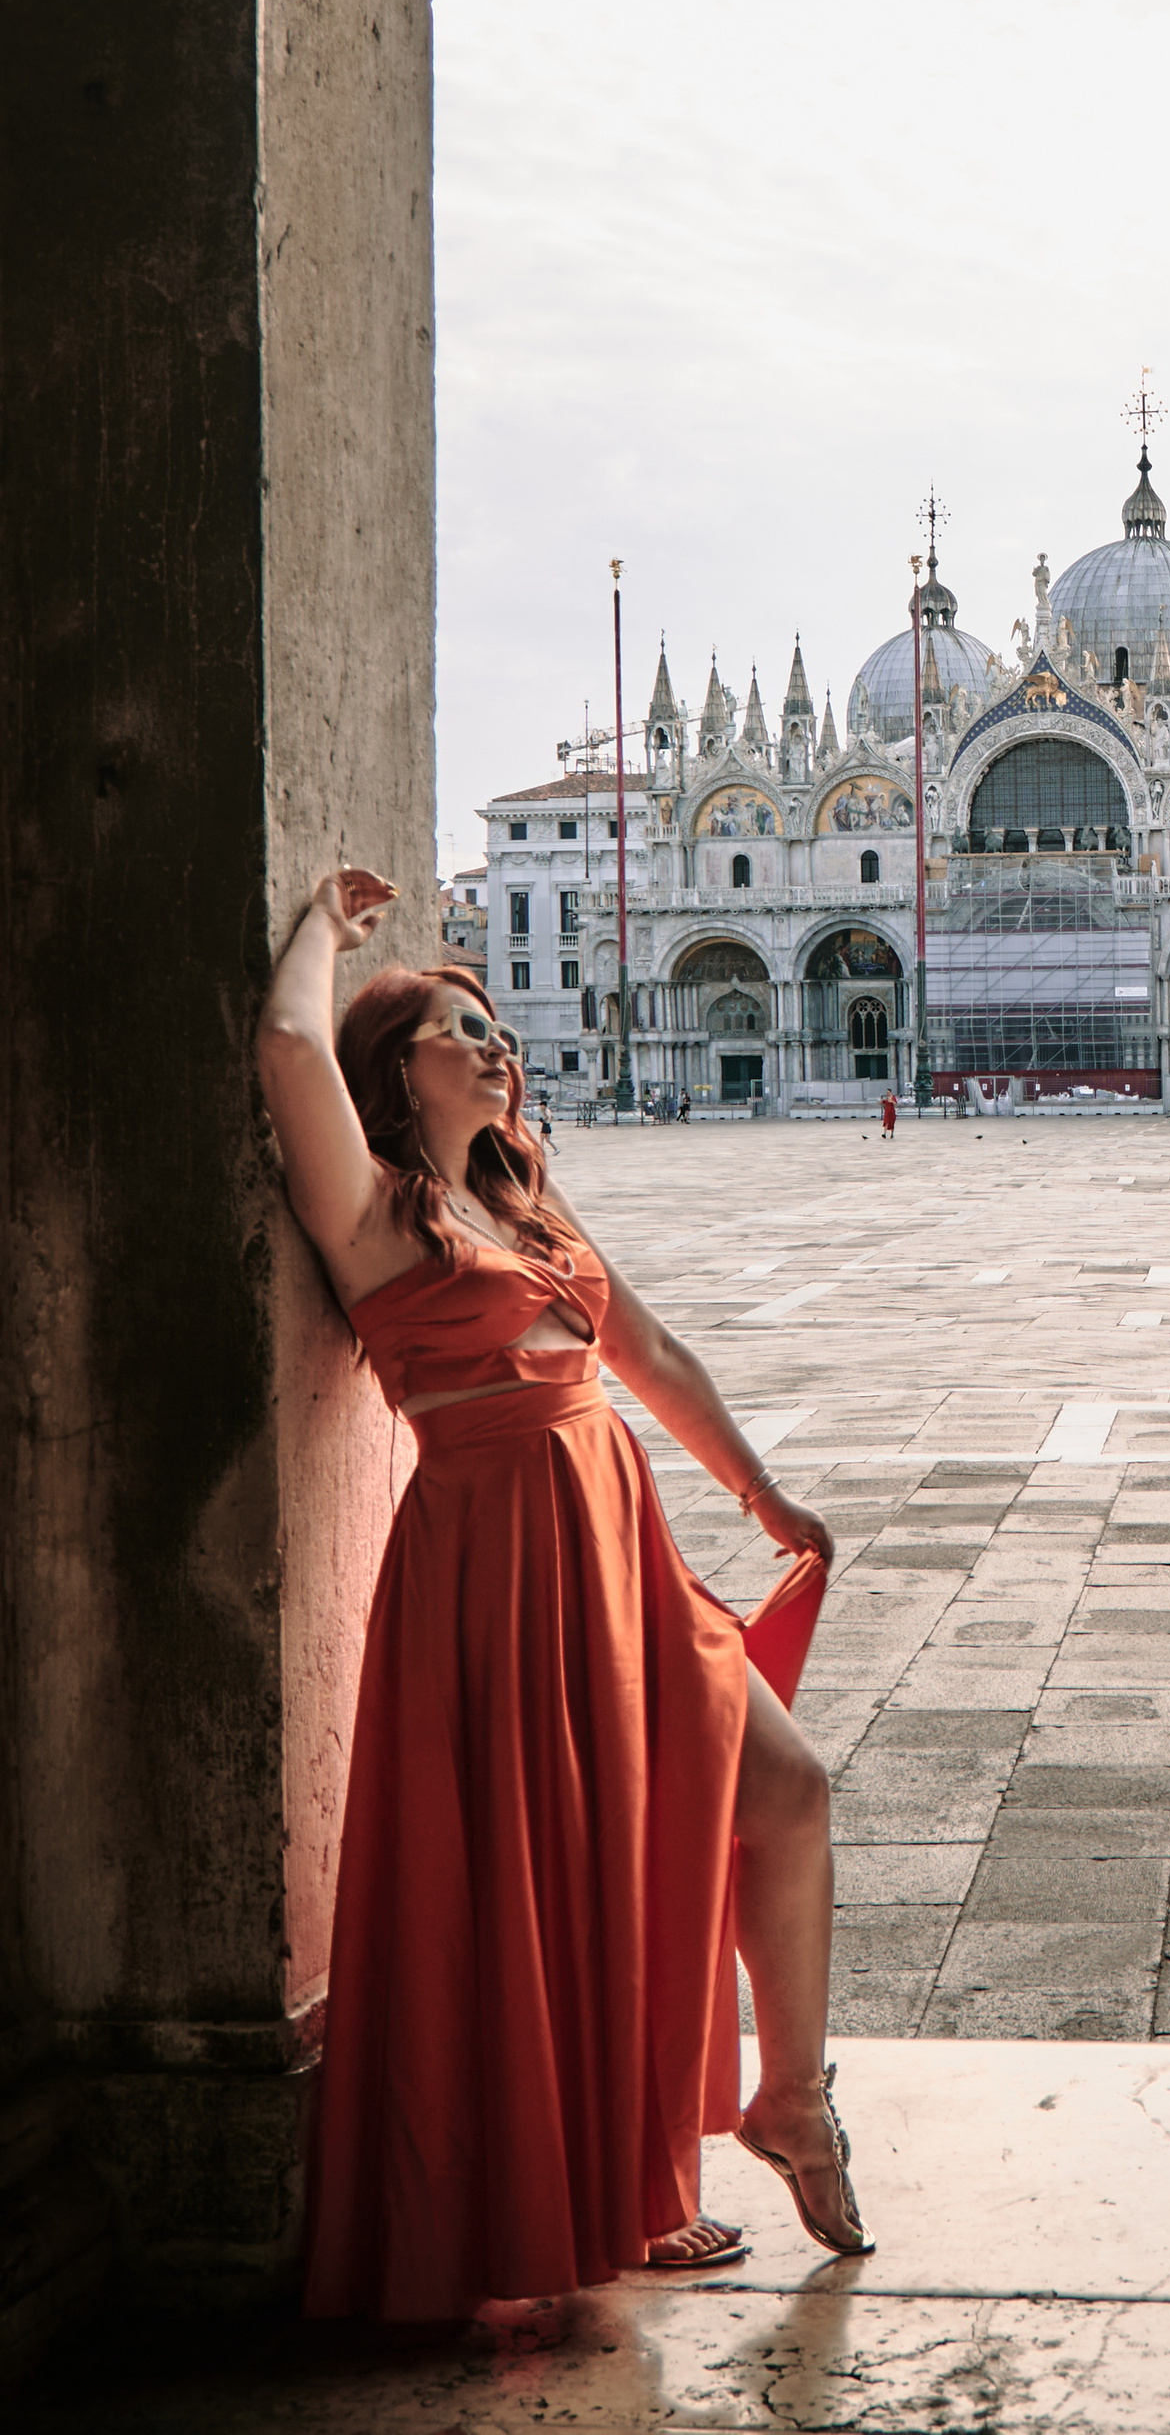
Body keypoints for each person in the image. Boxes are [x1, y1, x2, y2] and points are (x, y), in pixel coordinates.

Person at [256, 869, 871, 2317]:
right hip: (493, 1571)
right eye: (460, 1028)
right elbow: (289, 1051)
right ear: (398, 1072)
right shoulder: (374, 1213)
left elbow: (643, 1351)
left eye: (495, 1027)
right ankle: (609, 2192)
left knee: (783, 1794)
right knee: (558, 1876)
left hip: (615, 1552)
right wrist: (319, 941)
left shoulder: (524, 1203)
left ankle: (788, 2100)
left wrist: (758, 1491)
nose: (497, 1045)